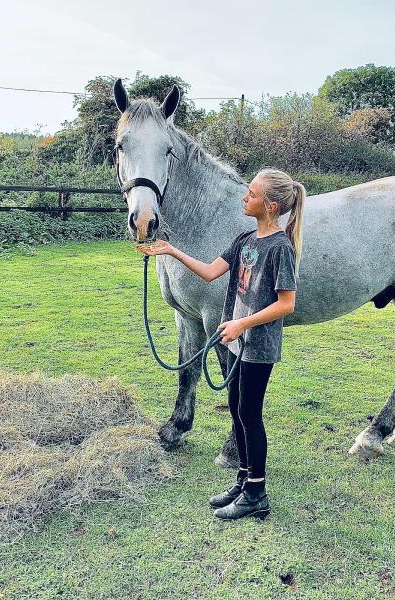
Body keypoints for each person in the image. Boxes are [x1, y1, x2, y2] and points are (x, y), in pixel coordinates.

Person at [136, 167, 305, 520]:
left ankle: (257, 492)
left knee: (249, 415)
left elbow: (286, 303)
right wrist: (170, 251)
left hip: (257, 345)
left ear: (271, 206)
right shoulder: (246, 240)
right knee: (237, 408)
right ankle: (243, 480)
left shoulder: (280, 248)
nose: (245, 198)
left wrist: (242, 322)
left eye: (253, 194)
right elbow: (211, 271)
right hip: (236, 342)